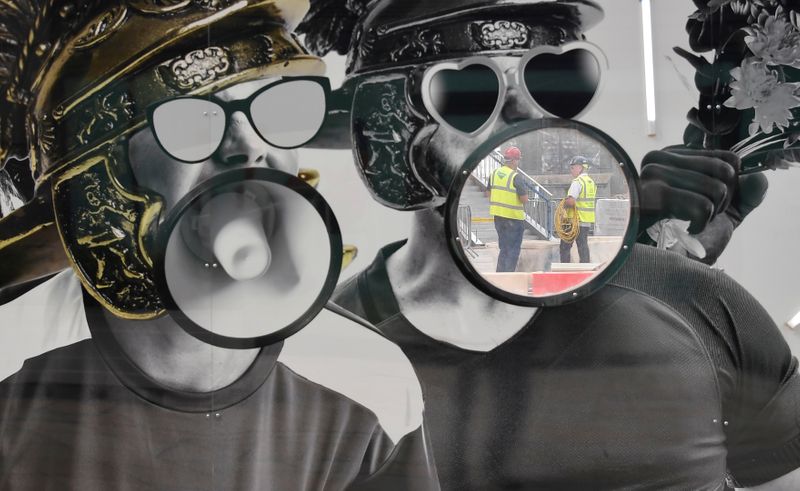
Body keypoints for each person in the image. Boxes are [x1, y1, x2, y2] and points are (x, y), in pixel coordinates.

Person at [299, 0, 800, 489]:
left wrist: (649, 269)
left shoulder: (697, 301)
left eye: (554, 82)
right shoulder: (320, 364)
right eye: (470, 90)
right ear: (392, 122)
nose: (526, 114)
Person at [0, 1, 438, 489]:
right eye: (192, 118)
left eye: (274, 104)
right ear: (100, 170)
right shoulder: (9, 355)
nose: (248, 144)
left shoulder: (373, 382)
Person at [489, 146, 528, 272]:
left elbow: (488, 193)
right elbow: (524, 199)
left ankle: (500, 276)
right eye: (518, 160)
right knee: (513, 250)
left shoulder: (494, 174)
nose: (518, 163)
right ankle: (509, 277)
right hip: (514, 218)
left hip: (498, 217)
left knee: (504, 248)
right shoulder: (515, 176)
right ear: (513, 161)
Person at [559, 155, 596, 263]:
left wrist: (563, 205)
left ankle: (565, 270)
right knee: (583, 246)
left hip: (573, 221)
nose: (571, 170)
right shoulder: (590, 182)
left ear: (580, 168)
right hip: (585, 221)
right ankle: (586, 269)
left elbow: (571, 201)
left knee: (565, 247)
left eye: (573, 167)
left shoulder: (577, 182)